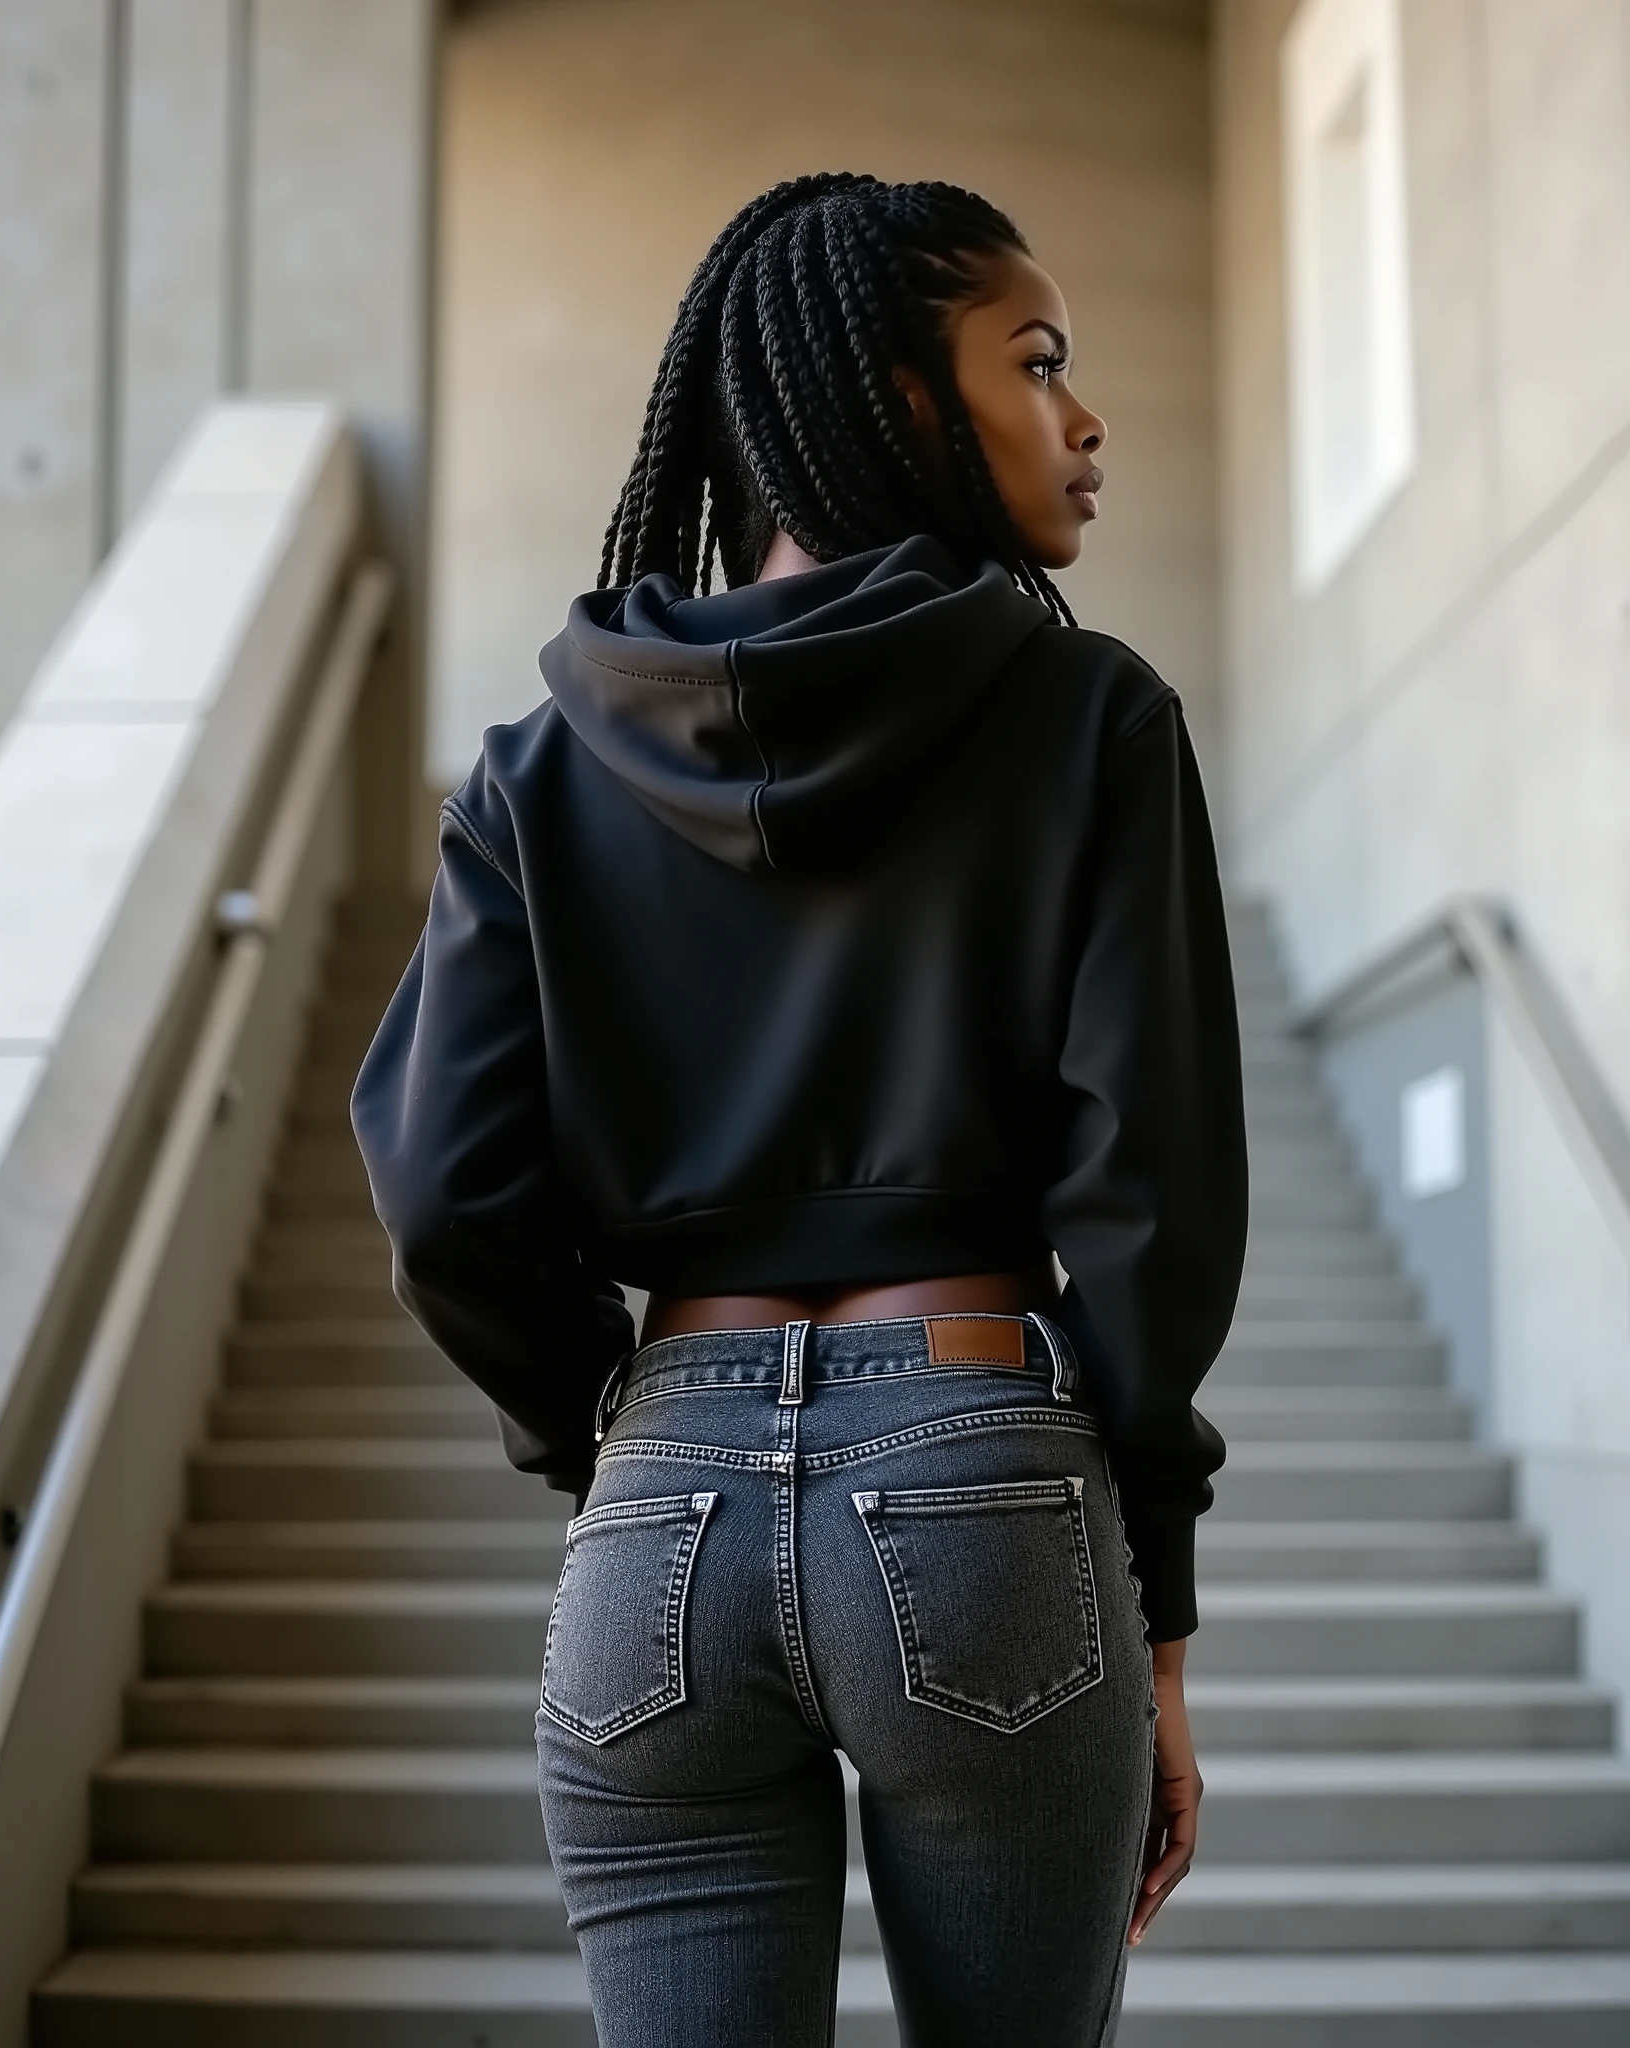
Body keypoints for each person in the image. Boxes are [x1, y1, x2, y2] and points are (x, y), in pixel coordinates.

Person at [353, 173, 1247, 2048]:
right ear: (904, 401)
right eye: (1038, 361)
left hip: (657, 1500)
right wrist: (1155, 1608)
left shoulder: (538, 770)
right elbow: (1150, 1204)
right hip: (984, 1478)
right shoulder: (1093, 719)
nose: (1088, 420)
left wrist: (598, 1446)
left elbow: (443, 1192)